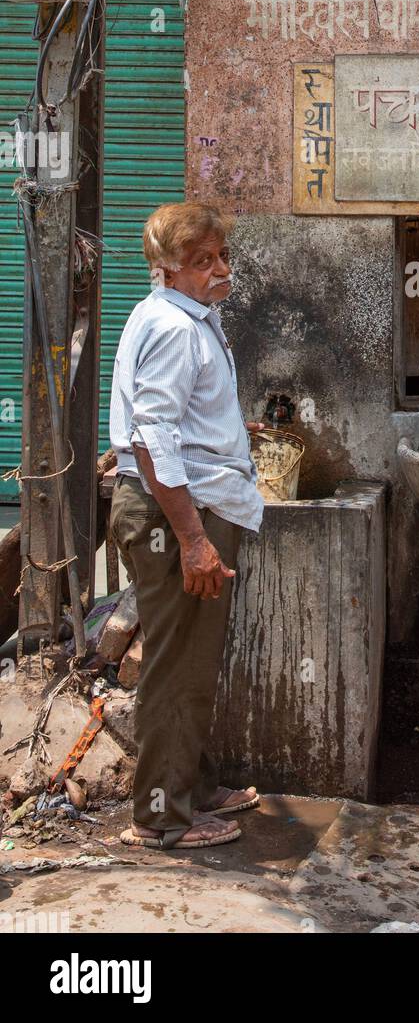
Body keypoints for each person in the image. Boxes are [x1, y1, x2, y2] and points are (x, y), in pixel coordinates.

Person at [109, 202, 264, 849]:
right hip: (175, 516)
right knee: (176, 667)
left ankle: (190, 787)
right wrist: (193, 540)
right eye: (203, 262)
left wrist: (228, 432)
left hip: (185, 504)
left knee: (193, 662)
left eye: (222, 257)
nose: (220, 270)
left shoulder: (179, 317)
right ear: (168, 268)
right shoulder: (175, 327)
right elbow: (151, 435)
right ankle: (160, 819)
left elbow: (165, 420)